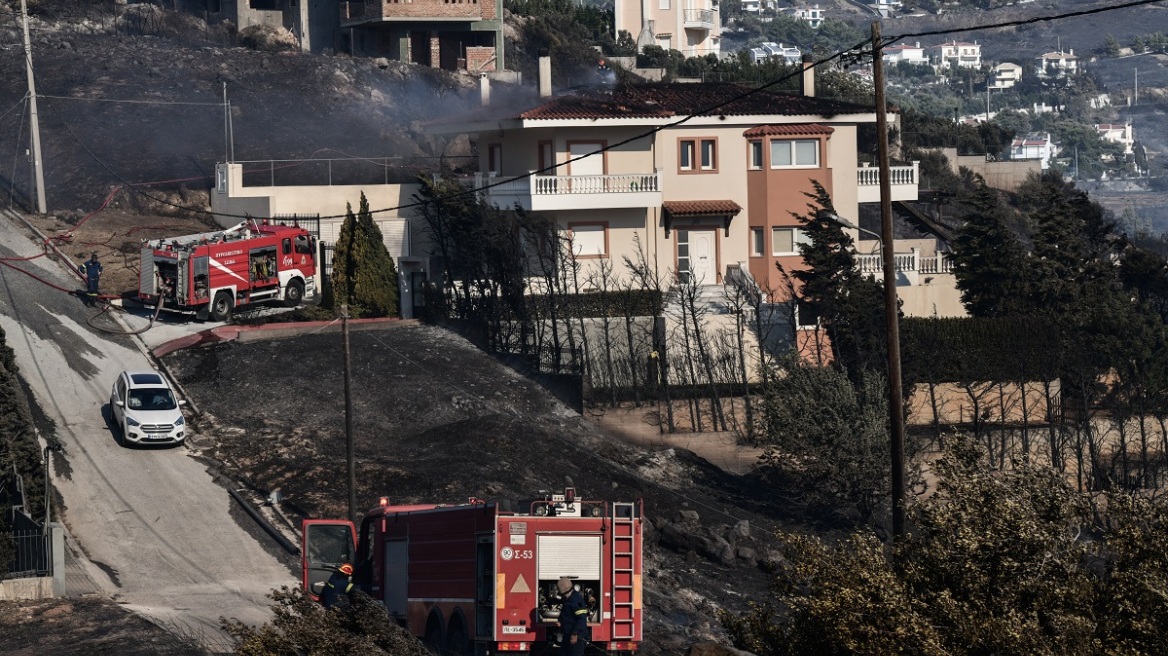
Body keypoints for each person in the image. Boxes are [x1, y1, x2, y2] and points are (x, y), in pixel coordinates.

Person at [557, 577, 590, 656]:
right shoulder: (567, 599)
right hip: (567, 634)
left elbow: (581, 619)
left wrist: (575, 633)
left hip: (576, 636)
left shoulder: (576, 600)